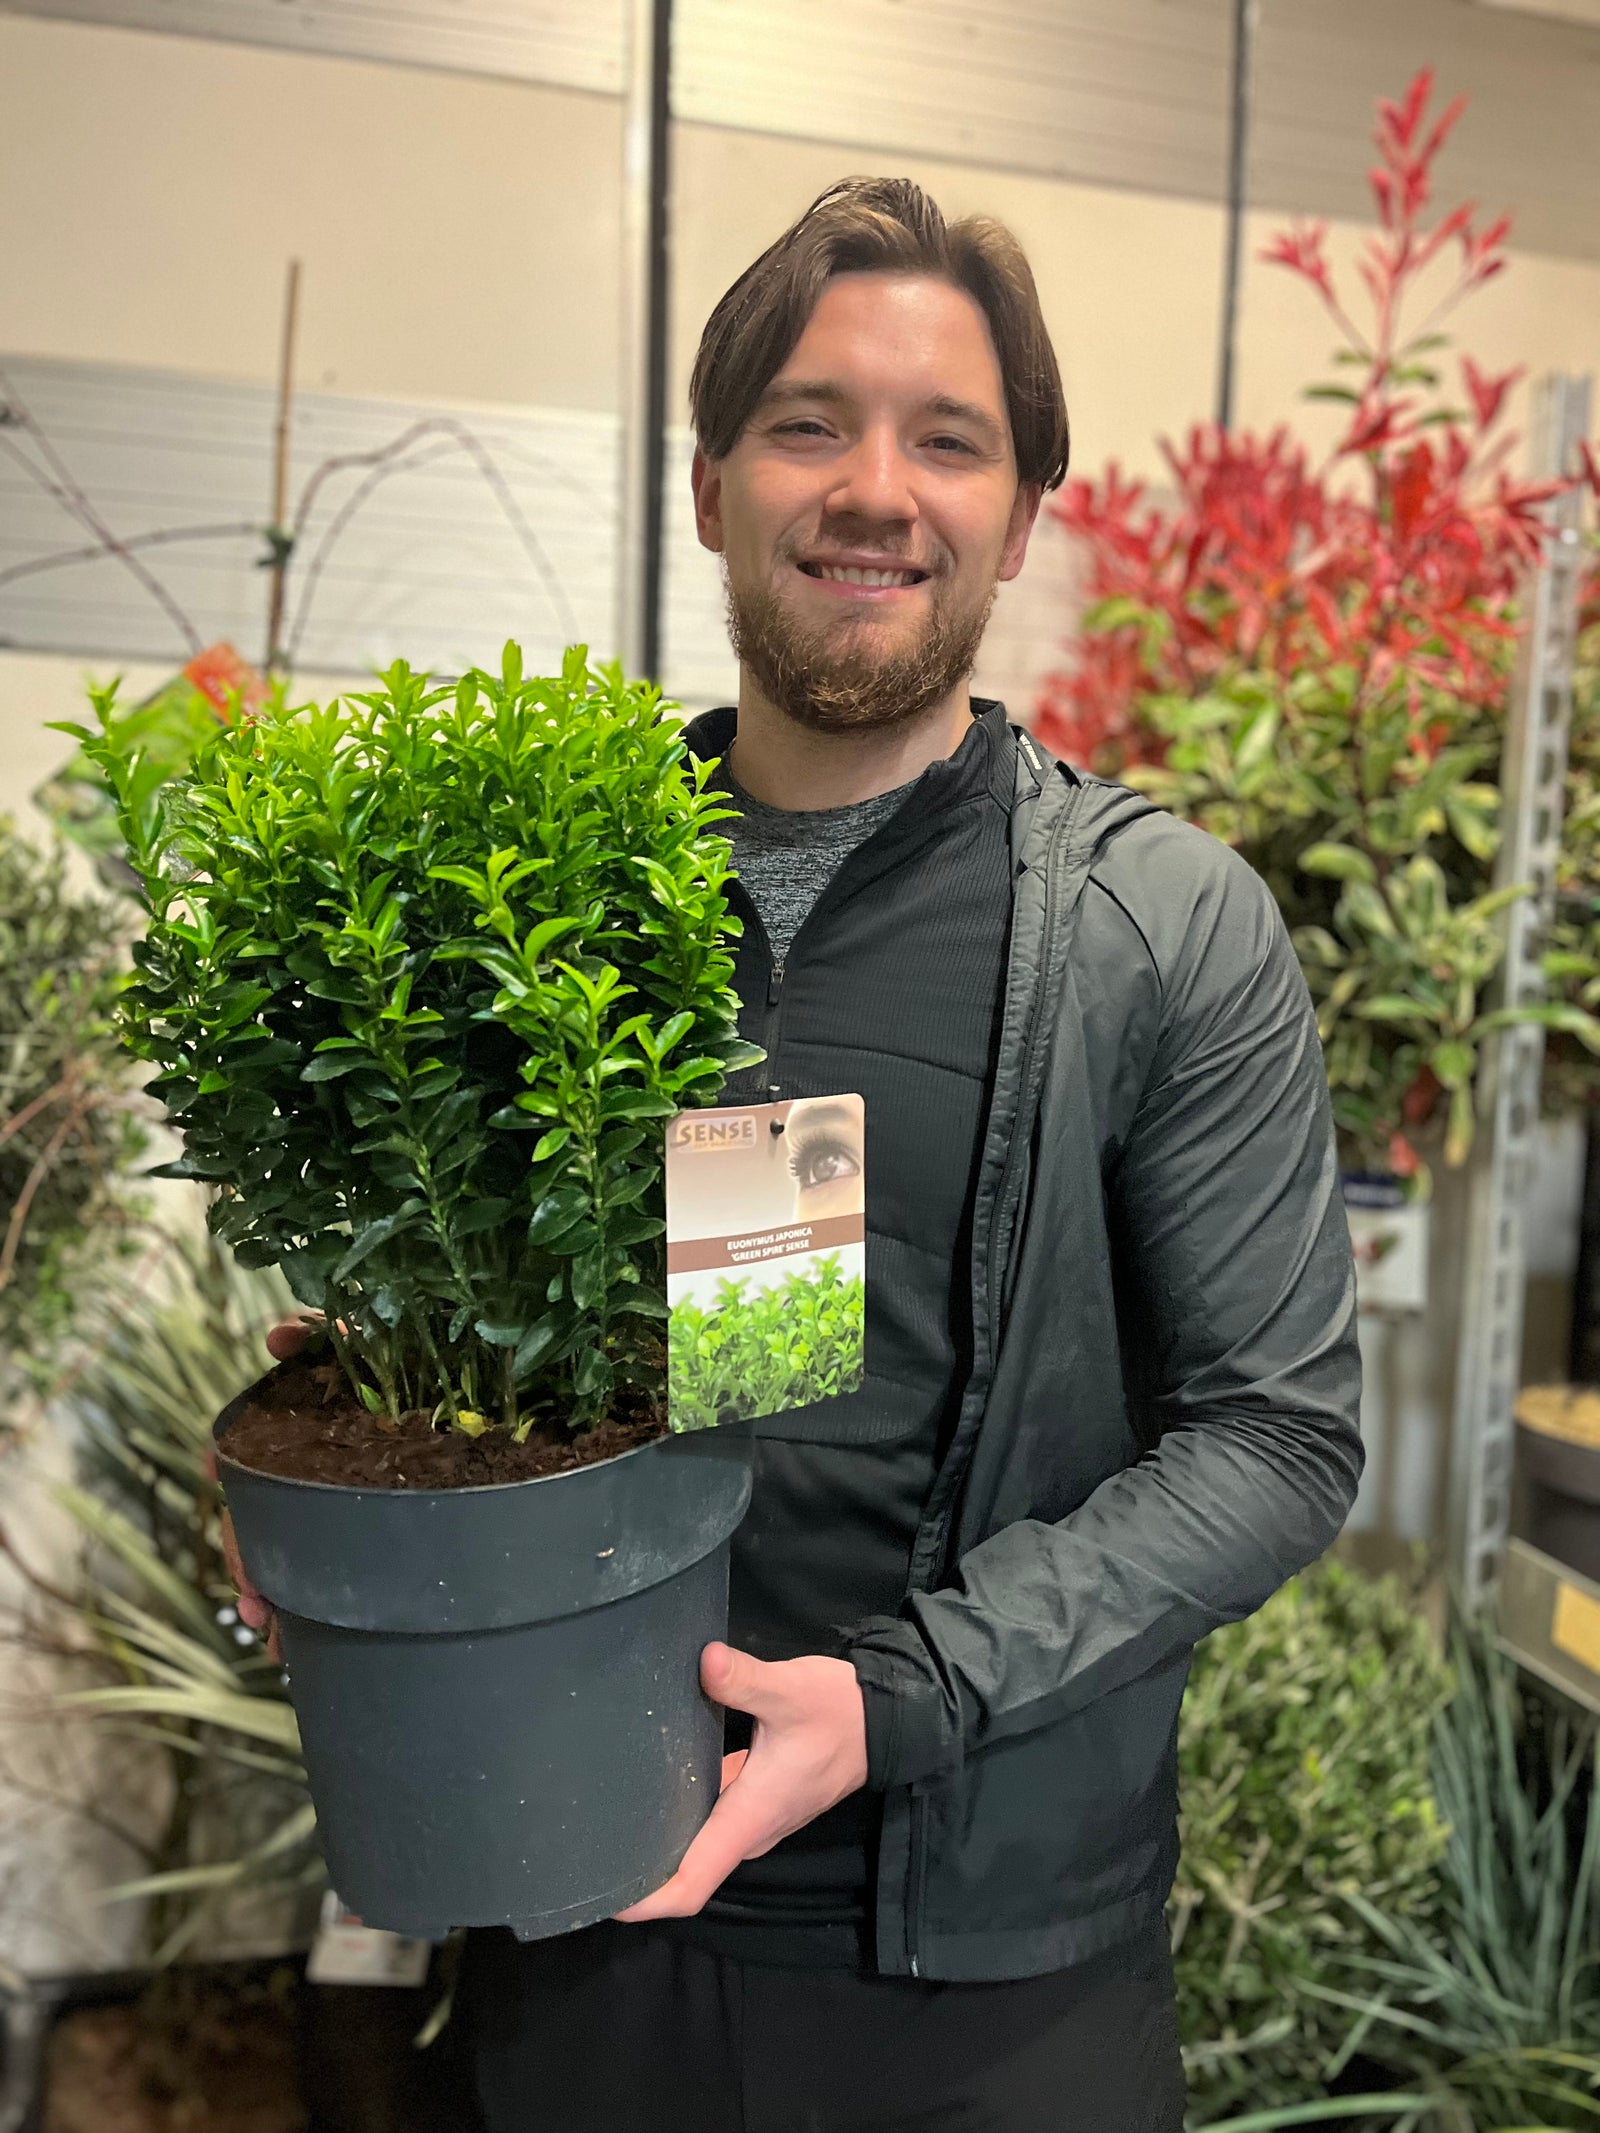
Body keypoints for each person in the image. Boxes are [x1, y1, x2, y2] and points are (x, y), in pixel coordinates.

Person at [234, 177, 1363, 2131]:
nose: (873, 487)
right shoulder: (550, 902)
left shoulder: (1155, 927)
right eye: (806, 421)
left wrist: (902, 1691)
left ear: (1017, 517)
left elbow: (1277, 1434)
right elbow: (462, 1349)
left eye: (947, 439)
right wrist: (316, 1463)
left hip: (987, 1985)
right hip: (582, 1925)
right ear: (707, 485)